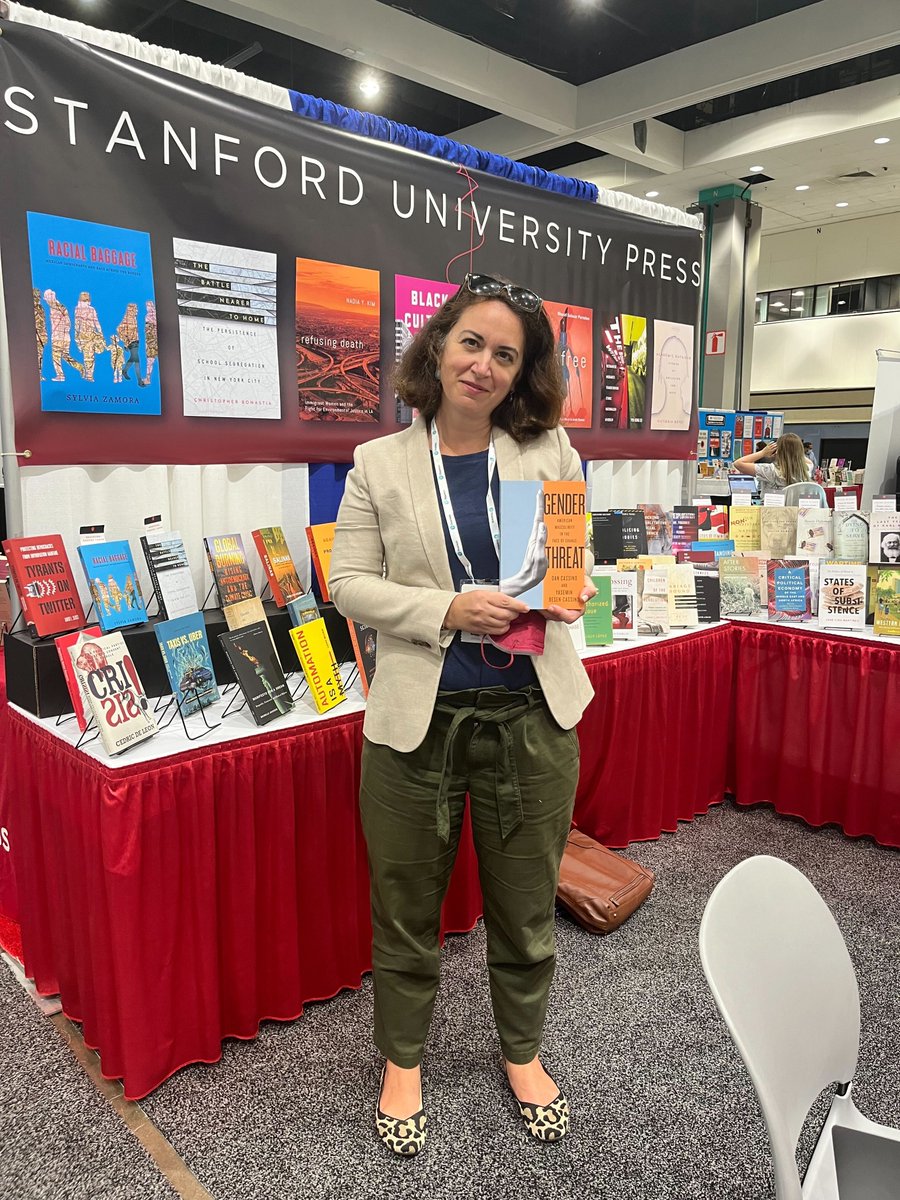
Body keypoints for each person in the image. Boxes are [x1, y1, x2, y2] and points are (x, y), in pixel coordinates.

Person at [329, 272, 596, 1155]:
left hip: (531, 717)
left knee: (524, 906)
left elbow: (566, 567)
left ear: (522, 376)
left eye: (506, 355)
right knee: (405, 903)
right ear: (438, 347)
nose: (483, 365)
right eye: (471, 343)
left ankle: (522, 1052)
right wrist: (445, 609)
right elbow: (349, 584)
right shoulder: (378, 463)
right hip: (418, 724)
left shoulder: (551, 452)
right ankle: (402, 1060)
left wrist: (567, 590)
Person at [732, 432, 809, 499]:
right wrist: (795, 451)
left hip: (772, 512)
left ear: (777, 450)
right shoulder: (806, 470)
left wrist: (762, 453)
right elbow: (808, 461)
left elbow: (738, 463)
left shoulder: (770, 470)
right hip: (796, 513)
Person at [74, 291, 105, 382]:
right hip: (86, 335)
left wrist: (77, 338)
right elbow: (96, 322)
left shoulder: (82, 309)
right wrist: (100, 333)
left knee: (88, 356)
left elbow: (77, 325)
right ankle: (88, 375)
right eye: (85, 300)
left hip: (86, 335)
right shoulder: (88, 309)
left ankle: (89, 375)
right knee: (89, 357)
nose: (86, 302)